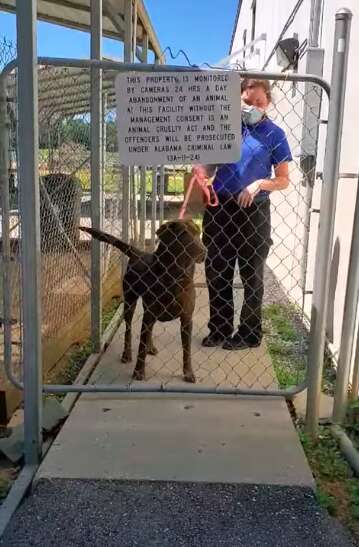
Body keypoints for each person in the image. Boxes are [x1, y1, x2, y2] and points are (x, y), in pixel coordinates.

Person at [201, 78, 292, 350]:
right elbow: (208, 168)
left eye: (259, 103)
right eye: (247, 102)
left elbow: (284, 179)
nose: (252, 107)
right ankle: (219, 328)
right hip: (220, 209)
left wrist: (259, 184)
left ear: (268, 103)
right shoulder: (226, 129)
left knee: (251, 274)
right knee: (217, 270)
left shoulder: (275, 134)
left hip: (254, 212)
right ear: (238, 100)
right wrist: (202, 172)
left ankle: (249, 333)